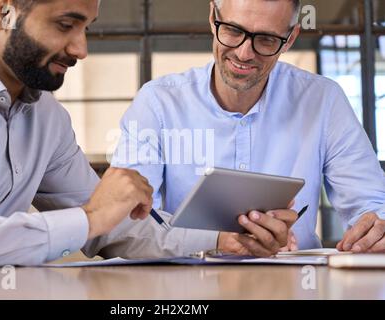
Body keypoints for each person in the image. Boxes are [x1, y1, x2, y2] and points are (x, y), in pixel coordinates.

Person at [110, 0, 385, 256]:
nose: (244, 53)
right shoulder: (158, 103)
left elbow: (372, 205)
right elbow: (127, 224)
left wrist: (375, 229)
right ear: (212, 18)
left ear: (289, 39)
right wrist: (218, 241)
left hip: (295, 284)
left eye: (265, 39)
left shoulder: (323, 100)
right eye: (232, 30)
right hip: (187, 287)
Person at [0, 0, 159, 274]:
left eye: (86, 28)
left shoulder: (47, 116)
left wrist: (218, 239)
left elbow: (115, 226)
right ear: (3, 13)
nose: (81, 49)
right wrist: (89, 219)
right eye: (65, 25)